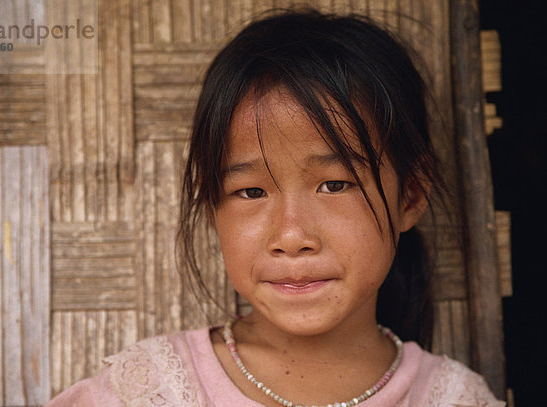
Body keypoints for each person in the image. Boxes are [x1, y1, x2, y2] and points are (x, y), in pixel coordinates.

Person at [46, 9, 505, 407]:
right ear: (211, 205)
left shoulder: (455, 398)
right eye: (251, 192)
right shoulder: (146, 389)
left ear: (410, 197)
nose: (291, 236)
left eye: (334, 184)